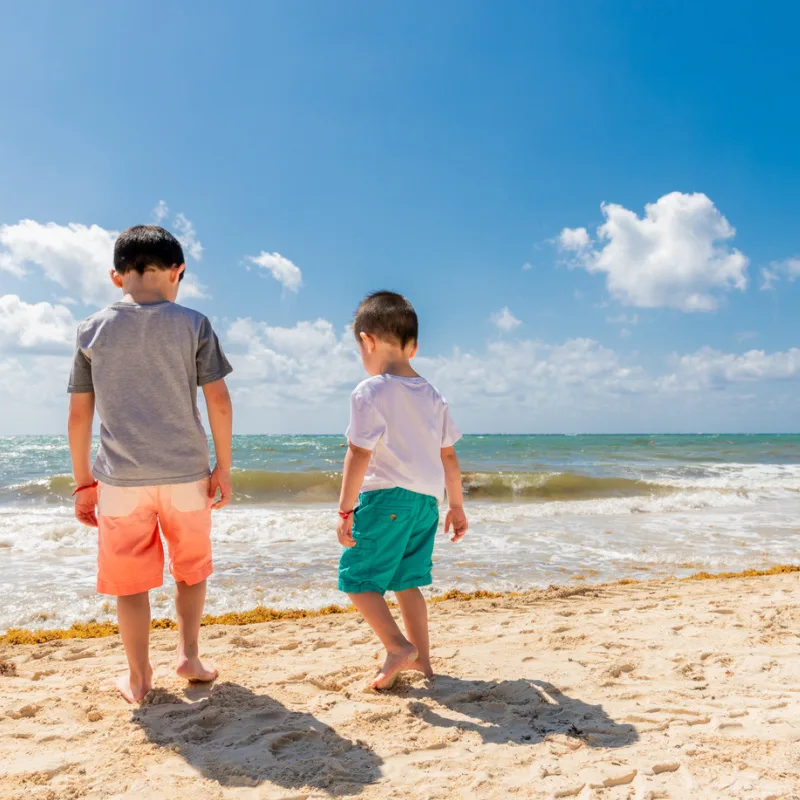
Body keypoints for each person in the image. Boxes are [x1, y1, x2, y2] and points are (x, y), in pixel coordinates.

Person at [67, 225, 233, 703]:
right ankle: (189, 656)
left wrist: (84, 483)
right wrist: (222, 466)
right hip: (185, 473)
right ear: (177, 271)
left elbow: (80, 414)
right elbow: (218, 401)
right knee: (191, 569)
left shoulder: (91, 329)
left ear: (116, 276)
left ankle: (139, 678)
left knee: (130, 583)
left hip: (120, 480)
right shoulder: (193, 323)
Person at [337, 291, 468, 689]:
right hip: (427, 503)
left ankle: (397, 646)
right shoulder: (433, 395)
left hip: (386, 498)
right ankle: (422, 661)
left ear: (367, 341)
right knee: (407, 581)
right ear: (414, 347)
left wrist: (345, 510)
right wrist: (457, 507)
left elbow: (359, 454)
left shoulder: (370, 390)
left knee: (357, 580)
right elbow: (449, 458)